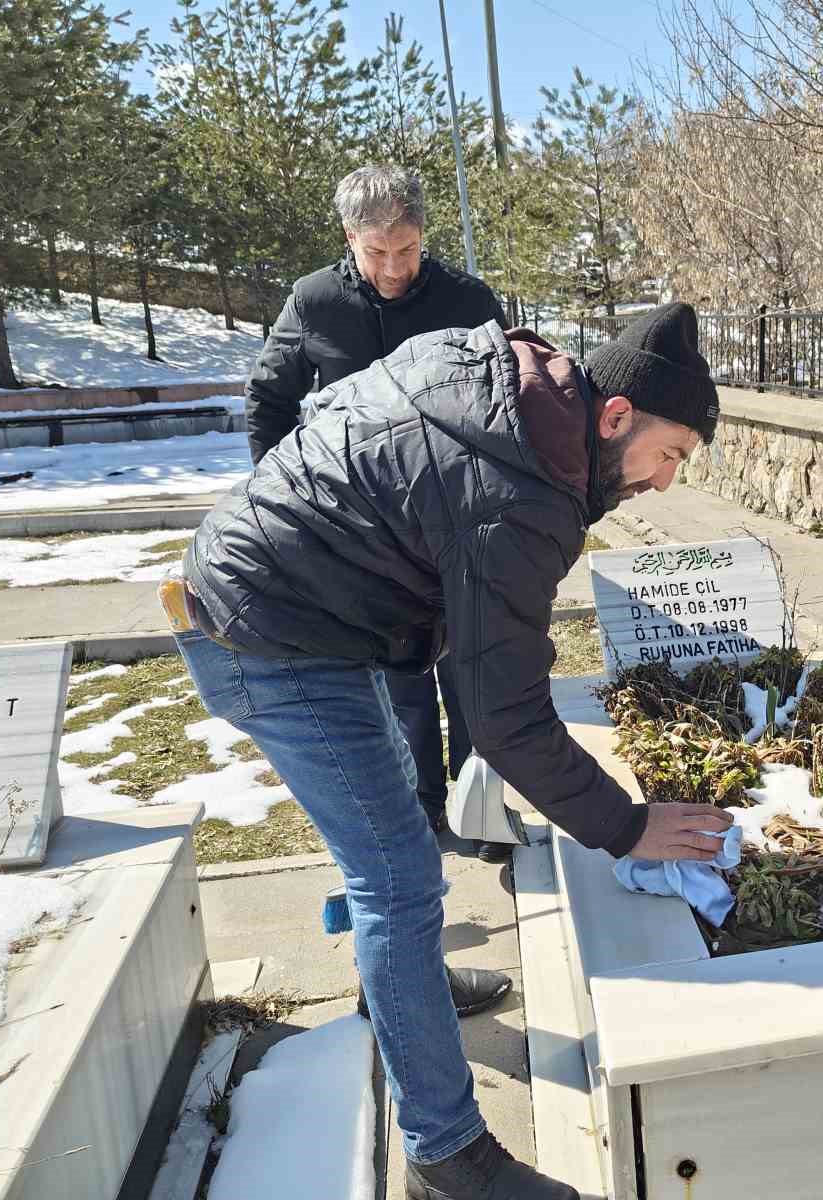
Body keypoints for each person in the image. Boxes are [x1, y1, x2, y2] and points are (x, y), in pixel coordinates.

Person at [165, 303, 732, 1199]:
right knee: (396, 878)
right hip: (273, 634)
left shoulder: (506, 386)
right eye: (670, 456)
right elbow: (503, 715)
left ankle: (397, 999)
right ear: (615, 417)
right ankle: (447, 1154)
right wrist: (624, 826)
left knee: (390, 846)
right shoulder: (526, 490)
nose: (664, 484)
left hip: (306, 604)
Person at [242, 164, 514, 1020]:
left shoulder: (470, 301)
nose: (394, 267)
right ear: (348, 244)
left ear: (425, 236)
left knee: (470, 668)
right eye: (376, 252)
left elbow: (507, 402)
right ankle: (422, 814)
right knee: (398, 680)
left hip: (455, 522)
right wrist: (284, 493)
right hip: (361, 532)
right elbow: (268, 398)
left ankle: (484, 807)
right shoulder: (316, 303)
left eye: (407, 248)